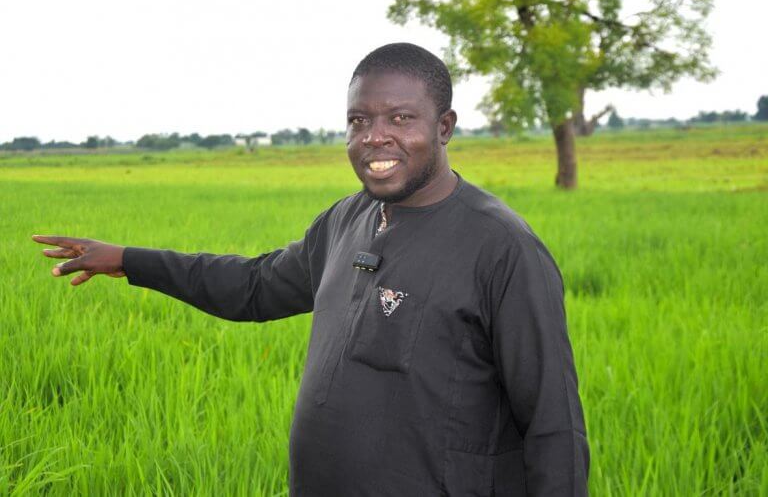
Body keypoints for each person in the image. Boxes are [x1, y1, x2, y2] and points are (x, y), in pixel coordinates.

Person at [33, 43, 589, 496]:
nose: (375, 136)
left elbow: (554, 427)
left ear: (443, 127)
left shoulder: (501, 248)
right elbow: (253, 288)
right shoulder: (349, 219)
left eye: (401, 118)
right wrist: (130, 261)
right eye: (359, 120)